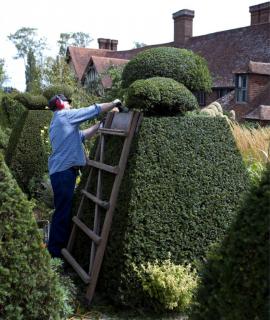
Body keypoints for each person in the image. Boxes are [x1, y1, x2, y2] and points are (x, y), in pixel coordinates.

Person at [47, 94, 122, 258]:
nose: (70, 105)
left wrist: (99, 125)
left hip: (62, 172)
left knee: (62, 210)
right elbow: (92, 110)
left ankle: (56, 250)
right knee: (62, 212)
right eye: (67, 103)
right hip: (63, 172)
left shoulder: (59, 121)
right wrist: (114, 103)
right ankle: (55, 254)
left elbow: (81, 136)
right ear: (60, 104)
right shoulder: (64, 116)